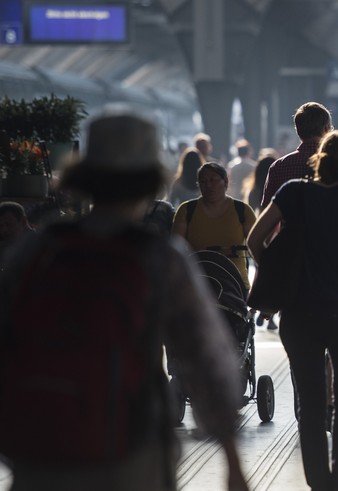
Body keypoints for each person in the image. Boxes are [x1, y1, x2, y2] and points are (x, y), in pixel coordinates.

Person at [0, 112, 247, 491]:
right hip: (130, 446)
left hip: (42, 446)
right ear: (149, 181)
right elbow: (205, 357)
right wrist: (231, 458)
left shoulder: (38, 249)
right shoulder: (159, 256)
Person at [247, 130, 338, 491]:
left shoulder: (293, 192)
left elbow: (254, 239)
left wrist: (276, 270)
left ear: (320, 159)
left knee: (311, 404)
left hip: (299, 316)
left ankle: (319, 483)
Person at [172, 162, 257, 290]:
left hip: (235, 286)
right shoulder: (186, 210)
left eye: (213, 180)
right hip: (197, 285)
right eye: (203, 181)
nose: (208, 185)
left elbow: (257, 251)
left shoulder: (242, 210)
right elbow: (175, 252)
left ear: (225, 181)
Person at [0, 201, 33, 270]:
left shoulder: (41, 244)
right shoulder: (4, 245)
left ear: (23, 221)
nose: (3, 230)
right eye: (0, 226)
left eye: (9, 224)